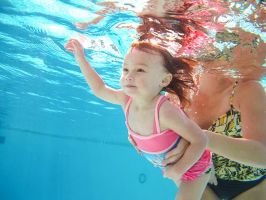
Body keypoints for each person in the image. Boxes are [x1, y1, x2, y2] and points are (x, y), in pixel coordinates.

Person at [65, 38, 213, 200]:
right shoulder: (126, 100)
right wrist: (81, 58)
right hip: (170, 164)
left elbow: (200, 140)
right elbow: (100, 89)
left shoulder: (165, 111)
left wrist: (179, 169)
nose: (129, 76)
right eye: (125, 69)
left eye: (140, 70)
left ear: (164, 80)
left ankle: (208, 173)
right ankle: (211, 179)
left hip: (193, 165)